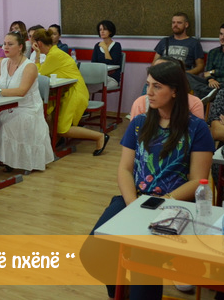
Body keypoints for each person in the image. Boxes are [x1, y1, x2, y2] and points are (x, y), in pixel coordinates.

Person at [85, 60, 213, 299]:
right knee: (92, 252)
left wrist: (161, 202)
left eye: (157, 86)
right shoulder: (139, 123)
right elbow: (125, 169)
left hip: (175, 205)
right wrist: (133, 203)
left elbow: (198, 180)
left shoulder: (197, 128)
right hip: (135, 199)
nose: (149, 92)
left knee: (143, 259)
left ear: (175, 91)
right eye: (148, 85)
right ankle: (120, 291)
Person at [0, 31, 54, 171]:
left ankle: (19, 160)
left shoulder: (29, 66)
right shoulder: (2, 63)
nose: (5, 47)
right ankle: (5, 158)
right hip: (6, 106)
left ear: (20, 47)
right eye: (4, 44)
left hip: (26, 108)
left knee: (8, 124)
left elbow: (22, 91)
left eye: (10, 44)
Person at [31, 29, 108, 154]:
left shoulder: (54, 55)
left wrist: (37, 55)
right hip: (66, 91)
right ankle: (55, 141)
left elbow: (38, 73)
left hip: (75, 92)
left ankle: (100, 137)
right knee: (48, 112)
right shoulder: (53, 53)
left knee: (62, 129)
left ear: (38, 44)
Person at [189, 22, 224, 98]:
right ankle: (208, 92)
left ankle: (205, 92)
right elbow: (207, 71)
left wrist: (214, 72)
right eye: (221, 34)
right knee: (186, 75)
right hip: (211, 83)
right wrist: (210, 79)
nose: (222, 37)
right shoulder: (213, 52)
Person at [92, 20, 123, 88]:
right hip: (99, 77)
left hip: (112, 78)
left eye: (105, 29)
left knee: (93, 86)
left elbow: (113, 63)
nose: (102, 32)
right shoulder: (97, 46)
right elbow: (93, 63)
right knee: (86, 84)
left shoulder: (116, 45)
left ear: (110, 31)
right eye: (100, 30)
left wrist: (105, 48)